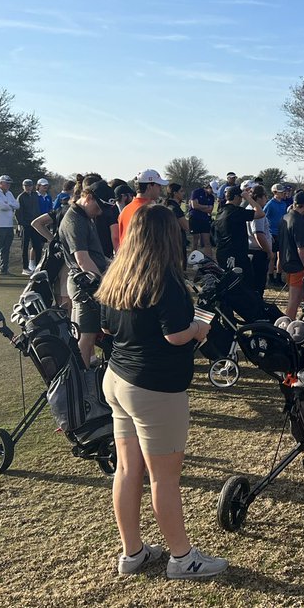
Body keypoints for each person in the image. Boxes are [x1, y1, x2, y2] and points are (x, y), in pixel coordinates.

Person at [96, 204, 227, 580]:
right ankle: (182, 558)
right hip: (153, 387)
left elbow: (107, 327)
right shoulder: (165, 281)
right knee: (163, 478)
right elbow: (175, 335)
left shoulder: (117, 275)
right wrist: (199, 330)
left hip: (118, 379)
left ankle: (132, 552)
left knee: (126, 469)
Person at [57, 180, 111, 366]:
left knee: (90, 335)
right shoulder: (75, 221)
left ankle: (87, 371)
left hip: (90, 283)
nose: (100, 212)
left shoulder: (84, 217)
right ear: (88, 197)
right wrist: (103, 284)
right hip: (85, 286)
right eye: (99, 206)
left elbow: (94, 254)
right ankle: (81, 378)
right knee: (85, 337)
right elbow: (82, 260)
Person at [276, 189, 304, 319]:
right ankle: (288, 323)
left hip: (286, 261)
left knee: (293, 296)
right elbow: (301, 248)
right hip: (297, 264)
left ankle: (289, 320)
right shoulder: (299, 220)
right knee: (294, 299)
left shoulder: (284, 218)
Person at [117, 169, 167, 249]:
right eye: (158, 185)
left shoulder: (125, 210)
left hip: (128, 255)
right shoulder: (151, 210)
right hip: (145, 255)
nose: (160, 189)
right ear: (149, 187)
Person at [212, 186, 254, 273]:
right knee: (240, 279)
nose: (241, 200)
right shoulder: (236, 212)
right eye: (241, 197)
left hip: (222, 252)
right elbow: (260, 213)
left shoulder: (220, 211)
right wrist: (248, 198)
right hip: (235, 254)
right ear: (236, 197)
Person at [242, 183, 273, 295]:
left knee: (253, 282)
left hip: (252, 250)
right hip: (258, 252)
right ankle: (257, 303)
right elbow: (258, 234)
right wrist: (268, 251)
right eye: (265, 196)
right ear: (259, 197)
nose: (266, 198)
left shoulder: (249, 209)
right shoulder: (256, 212)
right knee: (258, 283)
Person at [263, 184, 290, 287]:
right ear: (275, 193)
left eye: (283, 192)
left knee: (281, 256)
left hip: (281, 232)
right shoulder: (270, 204)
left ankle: (278, 276)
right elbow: (264, 216)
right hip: (272, 233)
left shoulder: (283, 204)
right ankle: (270, 277)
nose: (283, 194)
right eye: (281, 192)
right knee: (272, 256)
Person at [17, 179, 44, 275]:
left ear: (32, 186)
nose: (28, 187)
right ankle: (25, 268)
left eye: (30, 186)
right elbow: (18, 212)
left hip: (35, 224)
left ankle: (38, 267)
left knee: (37, 246)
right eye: (26, 186)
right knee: (25, 247)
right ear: (23, 186)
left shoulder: (35, 195)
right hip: (26, 225)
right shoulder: (21, 197)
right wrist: (22, 223)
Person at [187, 182, 215, 259]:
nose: (212, 192)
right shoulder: (196, 192)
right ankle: (193, 259)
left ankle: (209, 260)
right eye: (212, 190)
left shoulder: (211, 197)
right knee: (195, 241)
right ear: (208, 187)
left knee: (207, 241)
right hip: (195, 218)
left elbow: (210, 210)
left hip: (205, 219)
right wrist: (206, 207)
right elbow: (194, 205)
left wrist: (199, 207)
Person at [164, 182, 189, 256]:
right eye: (181, 191)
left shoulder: (166, 205)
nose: (183, 193)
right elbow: (186, 226)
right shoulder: (174, 208)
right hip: (177, 241)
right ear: (175, 193)